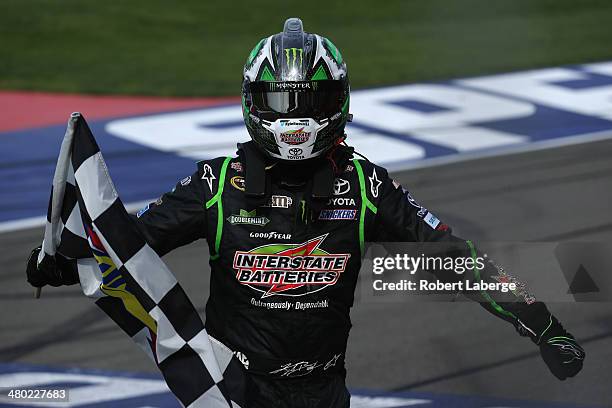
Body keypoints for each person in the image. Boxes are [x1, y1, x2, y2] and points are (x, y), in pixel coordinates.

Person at [27, 18, 584, 408]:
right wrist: (60, 259)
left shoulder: (362, 184)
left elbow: (453, 259)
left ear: (335, 103)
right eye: (279, 101)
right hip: (232, 391)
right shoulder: (218, 183)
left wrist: (541, 322)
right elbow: (126, 242)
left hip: (324, 392)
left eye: (308, 102)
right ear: (252, 102)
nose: (294, 119)